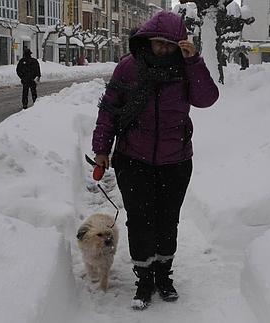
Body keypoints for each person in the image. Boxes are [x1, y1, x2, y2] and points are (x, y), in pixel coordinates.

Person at [91, 11, 219, 310]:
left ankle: (163, 275)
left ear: (179, 44)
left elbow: (207, 98)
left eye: (169, 45)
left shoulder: (185, 68)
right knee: (139, 221)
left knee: (167, 220)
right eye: (158, 43)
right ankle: (144, 278)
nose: (162, 49)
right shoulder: (128, 68)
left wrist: (194, 62)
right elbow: (109, 110)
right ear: (148, 40)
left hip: (175, 161)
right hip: (133, 159)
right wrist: (101, 149)